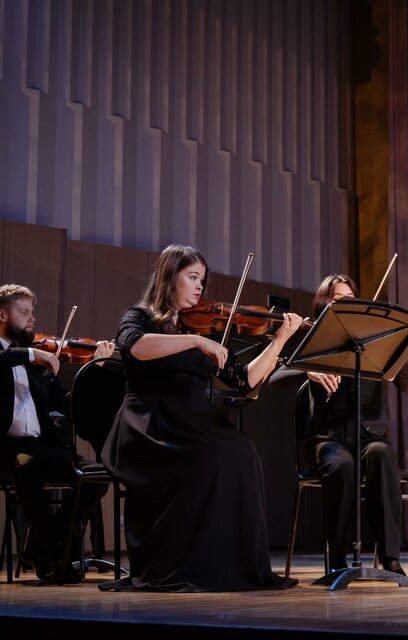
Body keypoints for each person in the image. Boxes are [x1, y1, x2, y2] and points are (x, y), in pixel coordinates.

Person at [99, 244, 303, 592]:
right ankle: (183, 563)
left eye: (202, 281)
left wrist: (280, 339)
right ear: (169, 276)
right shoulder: (139, 316)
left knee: (241, 451)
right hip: (150, 419)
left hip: (192, 418)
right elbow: (134, 347)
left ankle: (223, 564)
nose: (199, 287)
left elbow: (246, 379)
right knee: (211, 456)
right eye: (192, 277)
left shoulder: (206, 326)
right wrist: (194, 341)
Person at [0, 284, 114, 583]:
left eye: (33, 313)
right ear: (2, 314)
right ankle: (54, 553)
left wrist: (97, 366)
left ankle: (40, 546)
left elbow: (65, 407)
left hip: (37, 447)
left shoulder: (38, 363)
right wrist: (28, 354)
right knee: (26, 465)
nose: (32, 319)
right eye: (24, 312)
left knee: (97, 477)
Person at [269, 274, 408, 576]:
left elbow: (403, 384)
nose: (343, 305)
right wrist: (308, 371)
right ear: (323, 304)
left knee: (382, 454)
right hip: (327, 439)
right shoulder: (315, 340)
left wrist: (401, 349)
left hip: (368, 437)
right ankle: (338, 560)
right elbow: (276, 379)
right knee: (341, 466)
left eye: (349, 300)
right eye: (336, 299)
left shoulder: (375, 342)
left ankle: (391, 559)